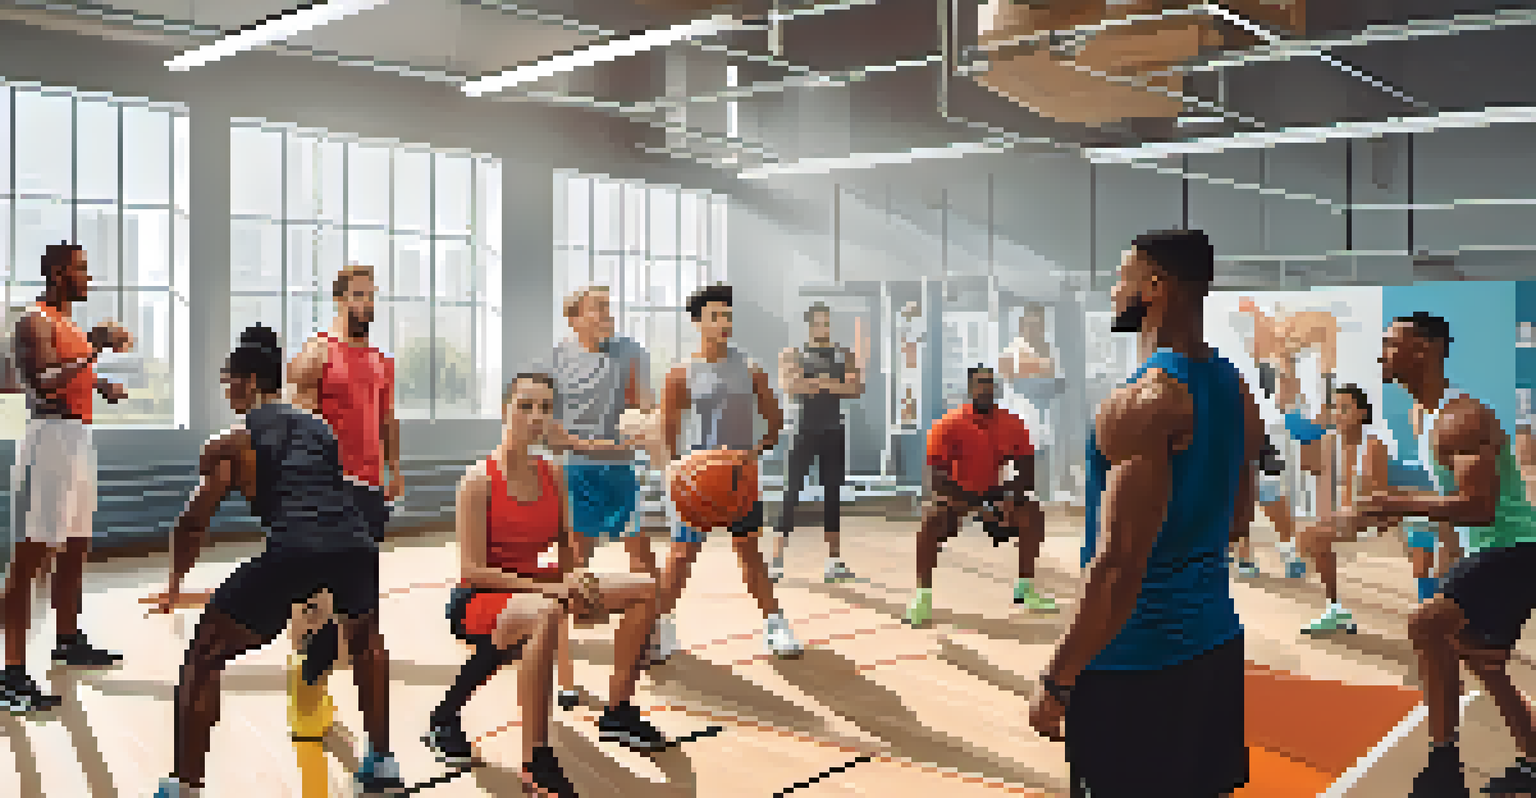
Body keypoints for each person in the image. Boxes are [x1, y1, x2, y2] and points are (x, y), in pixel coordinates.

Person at [1030, 230, 1258, 798]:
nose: (1113, 288)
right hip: (1214, 648)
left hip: (1137, 664)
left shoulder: (1144, 401)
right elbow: (1236, 521)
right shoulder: (1233, 386)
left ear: (1153, 287)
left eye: (1121, 275)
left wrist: (1058, 678)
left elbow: (1117, 565)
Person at [148, 325, 402, 797]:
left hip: (296, 550)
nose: (226, 391)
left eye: (227, 381)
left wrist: (174, 584)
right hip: (355, 547)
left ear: (246, 382)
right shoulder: (320, 428)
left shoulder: (232, 443)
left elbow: (192, 522)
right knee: (366, 643)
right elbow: (337, 492)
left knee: (204, 651)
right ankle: (383, 762)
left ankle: (184, 786)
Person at [424, 373, 666, 798]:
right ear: (506, 411)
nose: (536, 417)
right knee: (545, 613)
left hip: (537, 587)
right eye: (526, 406)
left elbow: (567, 548)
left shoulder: (552, 474)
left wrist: (573, 576)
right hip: (480, 597)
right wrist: (549, 591)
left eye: (545, 408)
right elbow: (473, 569)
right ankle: (536, 759)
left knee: (646, 586)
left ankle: (618, 711)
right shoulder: (478, 481)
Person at [1350, 313, 1536, 797]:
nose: (1382, 353)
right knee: (1484, 661)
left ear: (1423, 351)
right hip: (1497, 551)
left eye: (1391, 344)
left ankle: (1443, 768)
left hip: (1512, 550)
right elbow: (1456, 506)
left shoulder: (1461, 418)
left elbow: (1479, 506)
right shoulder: (1423, 416)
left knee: (1426, 624)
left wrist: (1396, 502)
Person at [2, 242, 132, 714]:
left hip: (78, 438)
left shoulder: (70, 326)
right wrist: (95, 352)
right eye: (80, 269)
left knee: (75, 546)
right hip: (48, 439)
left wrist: (101, 386)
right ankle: (10, 672)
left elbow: (72, 373)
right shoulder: (33, 321)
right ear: (58, 274)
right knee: (30, 558)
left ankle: (67, 638)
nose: (87, 277)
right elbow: (42, 381)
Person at [282, 263, 402, 762]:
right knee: (317, 597)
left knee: (354, 601)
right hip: (329, 491)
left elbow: (387, 419)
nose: (368, 305)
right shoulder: (316, 353)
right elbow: (301, 424)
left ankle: (316, 681)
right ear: (339, 300)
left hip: (370, 491)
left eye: (372, 296)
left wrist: (395, 467)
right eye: (359, 296)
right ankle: (305, 689)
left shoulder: (379, 359)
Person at [650, 284, 803, 661]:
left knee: (750, 554)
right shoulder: (680, 374)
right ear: (698, 322)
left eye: (728, 316)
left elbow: (775, 420)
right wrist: (673, 474)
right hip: (696, 479)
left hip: (739, 479)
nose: (724, 323)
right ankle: (661, 628)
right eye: (715, 316)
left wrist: (752, 455)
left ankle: (775, 624)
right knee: (681, 555)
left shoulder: (750, 369)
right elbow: (667, 434)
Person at [534, 286, 660, 708]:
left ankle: (650, 636)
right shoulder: (556, 360)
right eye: (599, 308)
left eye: (610, 306)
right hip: (579, 474)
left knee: (642, 558)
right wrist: (600, 447)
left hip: (621, 473)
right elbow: (553, 436)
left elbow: (647, 408)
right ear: (576, 317)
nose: (608, 314)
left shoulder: (630, 353)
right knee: (574, 568)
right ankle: (564, 674)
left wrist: (645, 423)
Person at [906, 366, 1053, 628]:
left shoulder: (1012, 422)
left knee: (1032, 512)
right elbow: (937, 481)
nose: (986, 388)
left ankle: (1025, 589)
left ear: (995, 389)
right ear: (970, 389)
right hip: (956, 493)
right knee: (930, 520)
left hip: (993, 492)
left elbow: (1027, 473)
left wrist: (1008, 496)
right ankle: (922, 596)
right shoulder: (948, 424)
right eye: (980, 384)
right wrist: (976, 505)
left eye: (990, 383)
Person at [772, 301, 866, 583]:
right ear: (809, 325)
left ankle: (833, 561)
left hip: (833, 430)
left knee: (832, 496)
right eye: (818, 323)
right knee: (791, 493)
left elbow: (855, 388)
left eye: (827, 322)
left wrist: (814, 383)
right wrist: (829, 384)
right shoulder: (793, 354)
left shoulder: (843, 354)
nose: (823, 327)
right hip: (804, 430)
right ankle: (776, 561)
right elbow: (791, 387)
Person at [1293, 384, 1392, 635]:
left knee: (1312, 534)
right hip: (1342, 518)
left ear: (1361, 413)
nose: (1338, 413)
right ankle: (1335, 607)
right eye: (1335, 408)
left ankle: (1335, 608)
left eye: (1344, 408)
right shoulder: (1328, 441)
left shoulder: (1373, 445)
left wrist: (1347, 515)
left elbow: (1379, 497)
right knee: (1308, 534)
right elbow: (1313, 472)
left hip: (1368, 518)